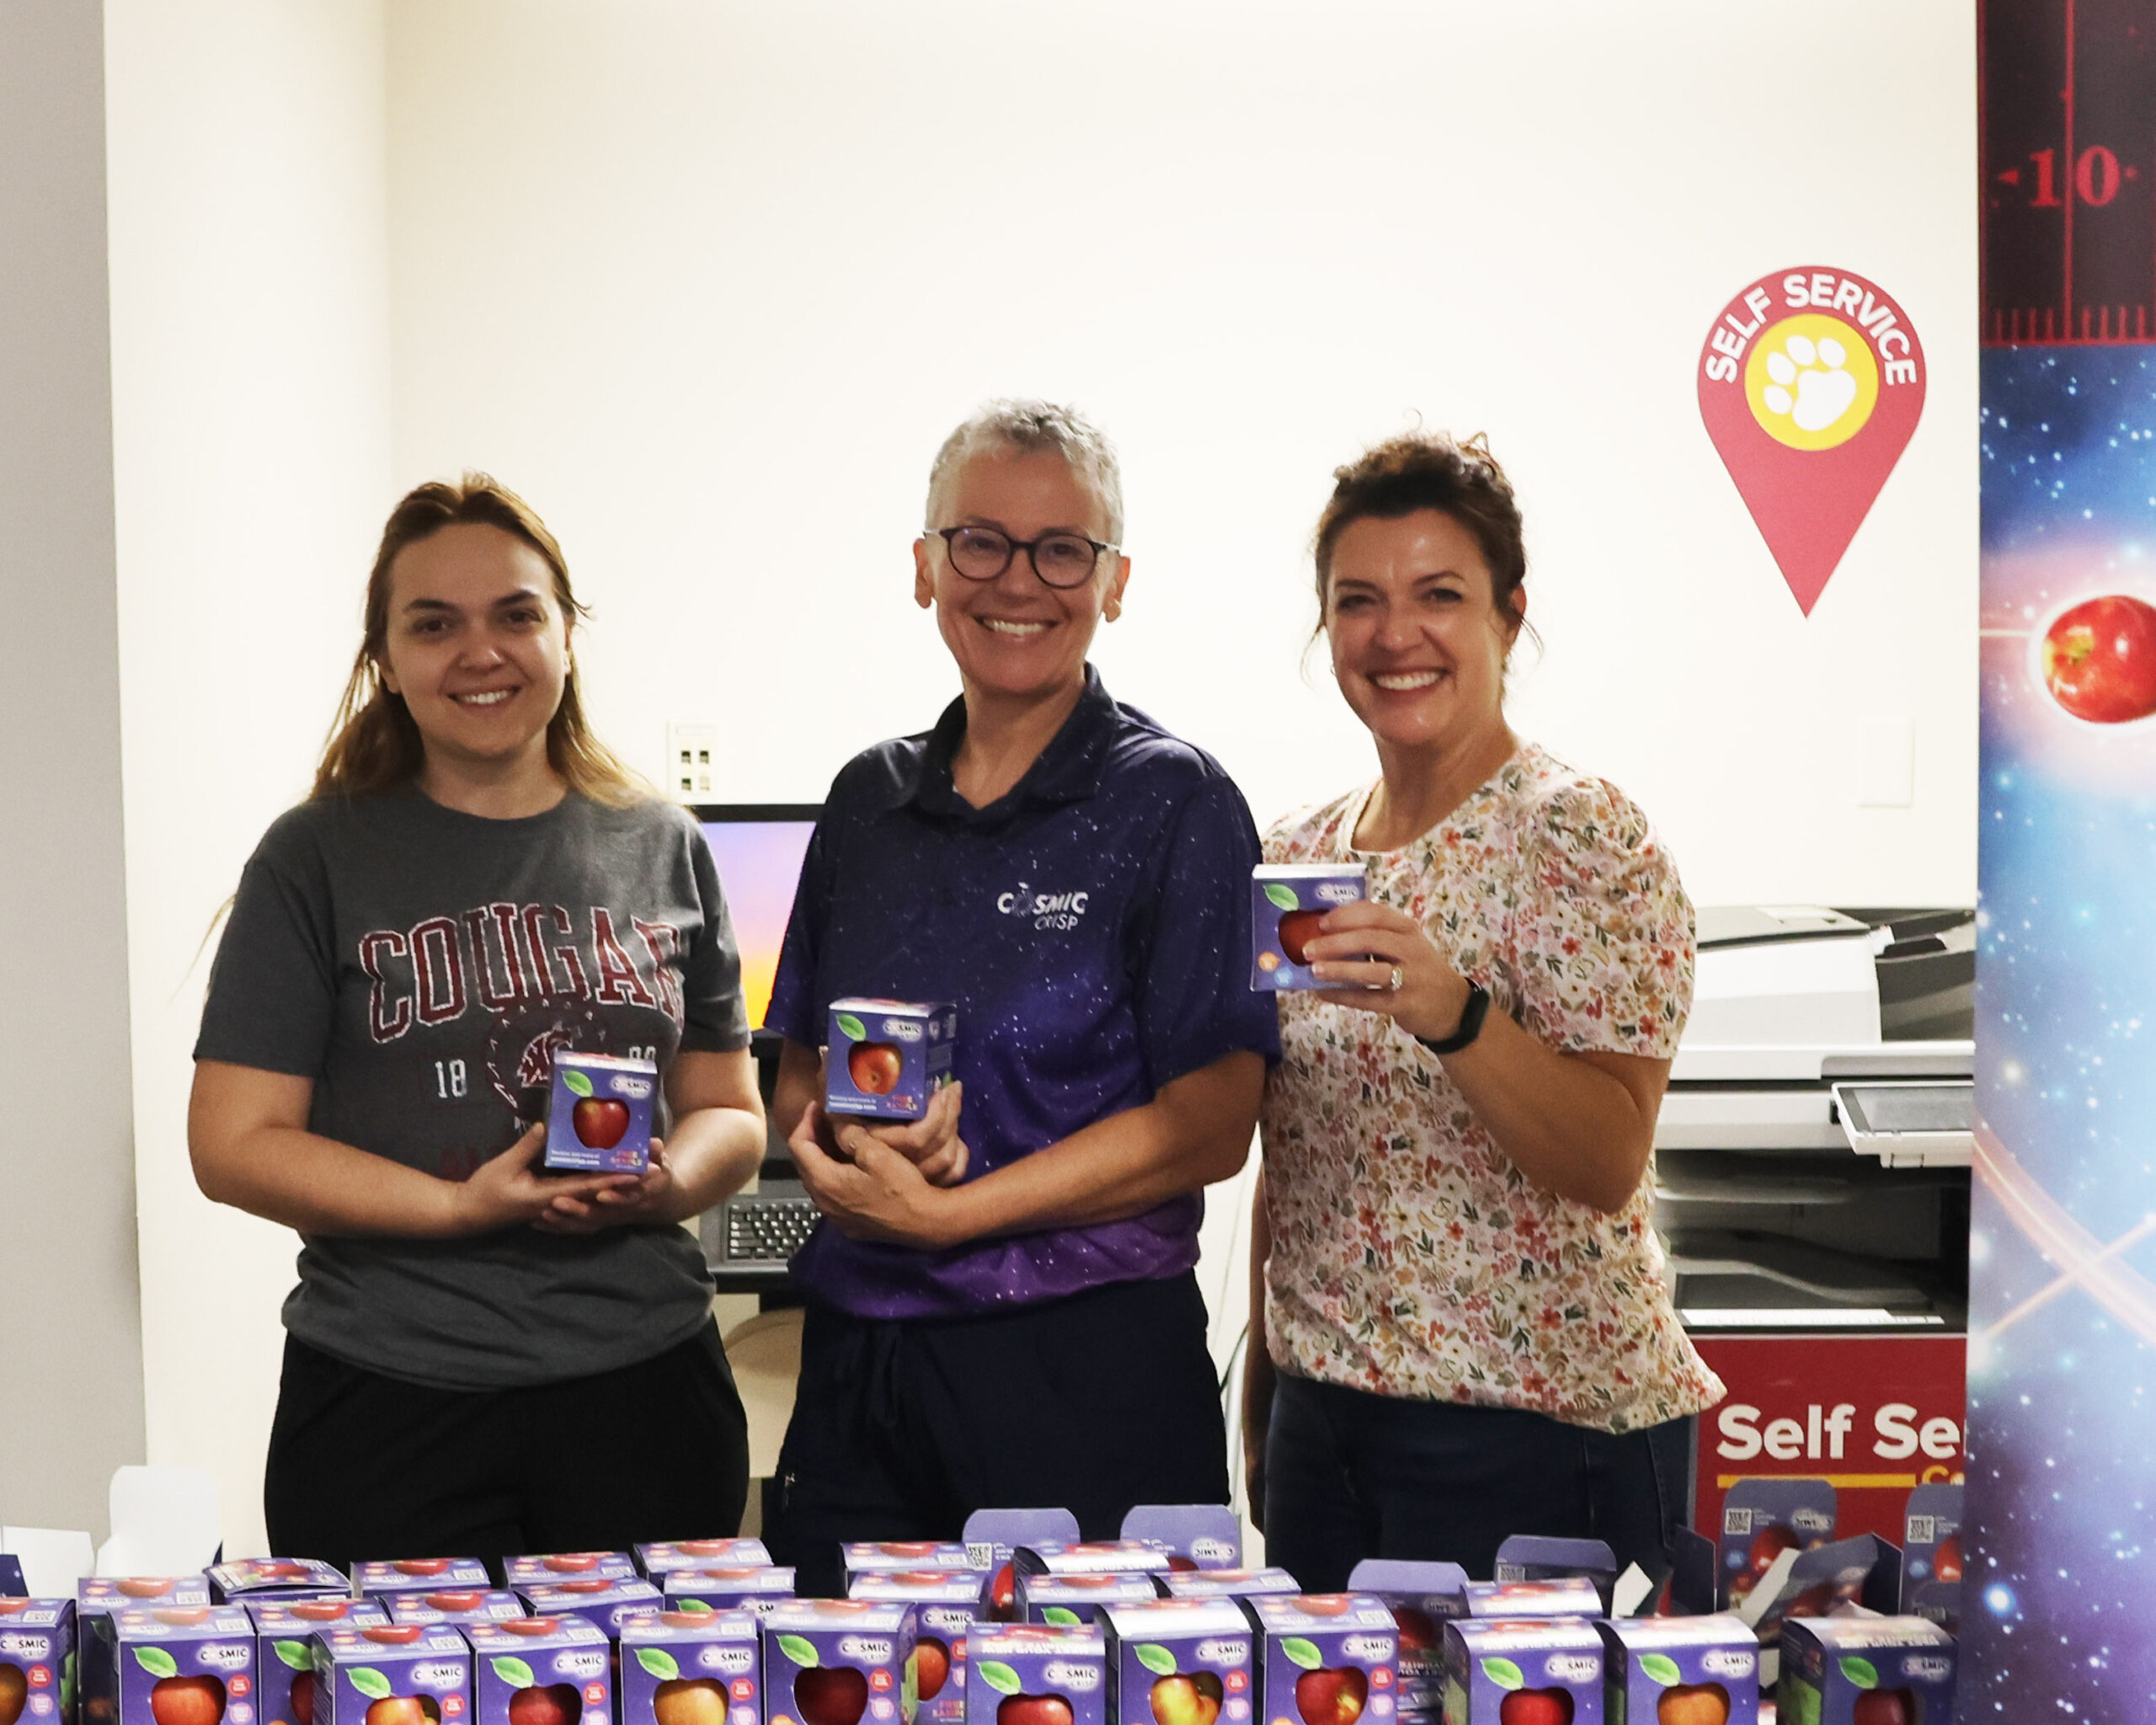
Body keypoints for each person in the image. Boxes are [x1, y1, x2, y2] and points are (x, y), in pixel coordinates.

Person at [191, 476, 766, 1570]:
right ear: (385, 657)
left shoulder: (663, 843)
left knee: (651, 1690)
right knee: (401, 1695)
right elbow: (233, 1144)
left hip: (645, 1390)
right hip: (387, 1406)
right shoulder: (313, 859)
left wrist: (668, 1184)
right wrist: (459, 1209)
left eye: (515, 614)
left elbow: (730, 1113)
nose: (480, 652)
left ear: (565, 636)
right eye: (433, 624)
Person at [761, 400, 1279, 1592]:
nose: (1017, 582)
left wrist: (953, 1215)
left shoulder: (1179, 802)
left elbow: (1213, 1123)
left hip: (1082, 1372)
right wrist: (854, 1153)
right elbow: (795, 1070)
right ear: (925, 565)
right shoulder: (867, 801)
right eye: (981, 541)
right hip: (862, 1367)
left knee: (1097, 1706)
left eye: (1062, 551)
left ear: (1115, 583)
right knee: (843, 1698)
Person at [1243, 432, 1721, 1590]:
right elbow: (1295, 1147)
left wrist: (1455, 1014)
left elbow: (1608, 1159)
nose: (1394, 634)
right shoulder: (1298, 854)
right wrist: (1265, 1391)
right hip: (1327, 1425)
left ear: (1510, 617)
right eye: (1358, 601)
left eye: (1439, 595)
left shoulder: (1580, 833)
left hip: (1542, 1432)